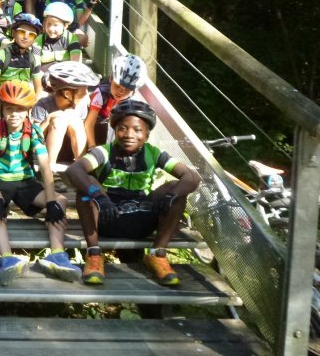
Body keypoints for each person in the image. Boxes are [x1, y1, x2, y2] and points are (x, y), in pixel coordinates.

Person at [67, 99, 201, 285]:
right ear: (115, 131)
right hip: (108, 216)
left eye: (137, 130)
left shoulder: (154, 153)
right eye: (122, 128)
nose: (129, 134)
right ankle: (94, 254)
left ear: (146, 134)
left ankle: (157, 255)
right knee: (86, 188)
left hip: (142, 218)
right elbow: (74, 170)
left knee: (175, 189)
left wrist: (172, 195)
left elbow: (191, 176)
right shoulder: (103, 152)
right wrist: (98, 196)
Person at [0, 80, 80, 286]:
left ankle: (57, 254)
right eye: (9, 109)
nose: (14, 114)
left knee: (60, 201)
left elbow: (44, 167)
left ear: (27, 111)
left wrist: (51, 200)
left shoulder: (33, 132)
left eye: (19, 110)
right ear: (2, 109)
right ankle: (7, 258)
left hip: (25, 181)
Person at [31, 61, 100, 167]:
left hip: (69, 151)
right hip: (44, 154)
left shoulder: (81, 105)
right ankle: (50, 169)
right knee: (59, 119)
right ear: (67, 94)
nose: (86, 94)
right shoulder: (43, 105)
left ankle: (83, 167)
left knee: (72, 117)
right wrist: (49, 119)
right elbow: (33, 140)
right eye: (82, 92)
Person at [84, 53, 147, 148]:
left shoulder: (135, 101)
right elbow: (89, 123)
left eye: (127, 89)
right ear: (110, 78)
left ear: (134, 89)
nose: (121, 91)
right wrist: (92, 147)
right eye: (117, 85)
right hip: (95, 129)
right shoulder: (101, 93)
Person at [0, 13, 44, 99]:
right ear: (13, 33)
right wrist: (8, 100)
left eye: (31, 35)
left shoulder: (34, 57)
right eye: (22, 32)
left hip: (23, 99)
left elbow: (39, 92)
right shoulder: (2, 54)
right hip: (3, 98)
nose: (26, 37)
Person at [32, 1, 82, 70]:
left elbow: (76, 64)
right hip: (45, 75)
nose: (51, 29)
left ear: (65, 26)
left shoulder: (71, 38)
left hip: (67, 73)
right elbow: (36, 65)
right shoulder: (39, 40)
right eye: (48, 24)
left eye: (56, 25)